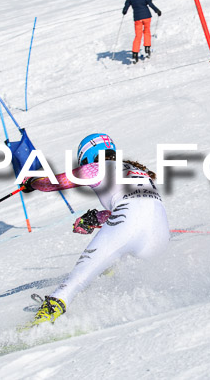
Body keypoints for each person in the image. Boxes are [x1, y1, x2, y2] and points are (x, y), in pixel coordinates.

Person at [21, 133, 170, 326]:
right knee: (115, 269)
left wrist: (32, 183)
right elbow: (137, 208)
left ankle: (45, 317)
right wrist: (95, 218)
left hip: (128, 224)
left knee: (78, 278)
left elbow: (54, 182)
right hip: (159, 236)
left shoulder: (97, 167)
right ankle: (116, 307)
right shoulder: (138, 172)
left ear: (89, 156)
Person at [122, 0, 161, 64]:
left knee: (138, 36)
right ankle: (147, 49)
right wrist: (157, 10)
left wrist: (124, 11)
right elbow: (150, 4)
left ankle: (135, 55)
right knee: (147, 32)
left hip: (137, 18)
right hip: (147, 16)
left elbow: (126, 5)